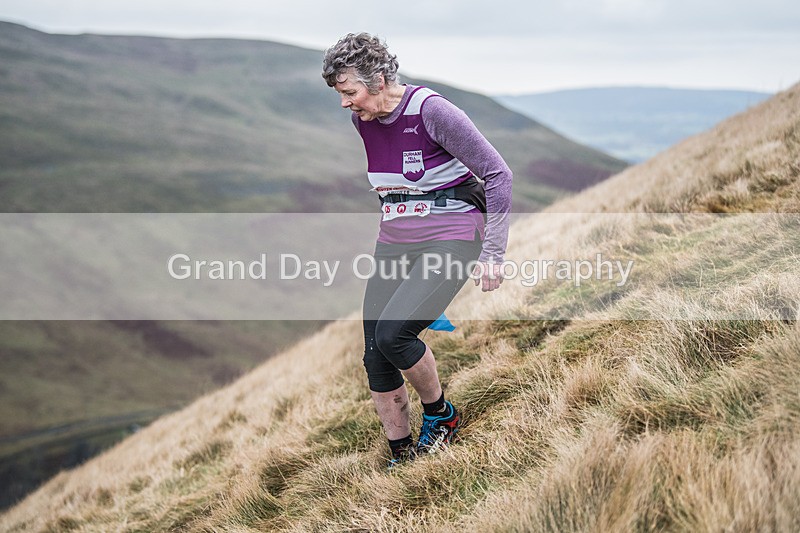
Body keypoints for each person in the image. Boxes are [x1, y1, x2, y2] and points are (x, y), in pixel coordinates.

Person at [322, 33, 512, 469]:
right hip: (398, 239)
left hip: (454, 232)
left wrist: (494, 253)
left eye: (350, 92)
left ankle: (442, 417)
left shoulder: (433, 112)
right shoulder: (364, 121)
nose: (345, 104)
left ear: (381, 79)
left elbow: (498, 174)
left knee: (395, 335)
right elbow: (396, 187)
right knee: (374, 350)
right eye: (340, 94)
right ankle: (401, 453)